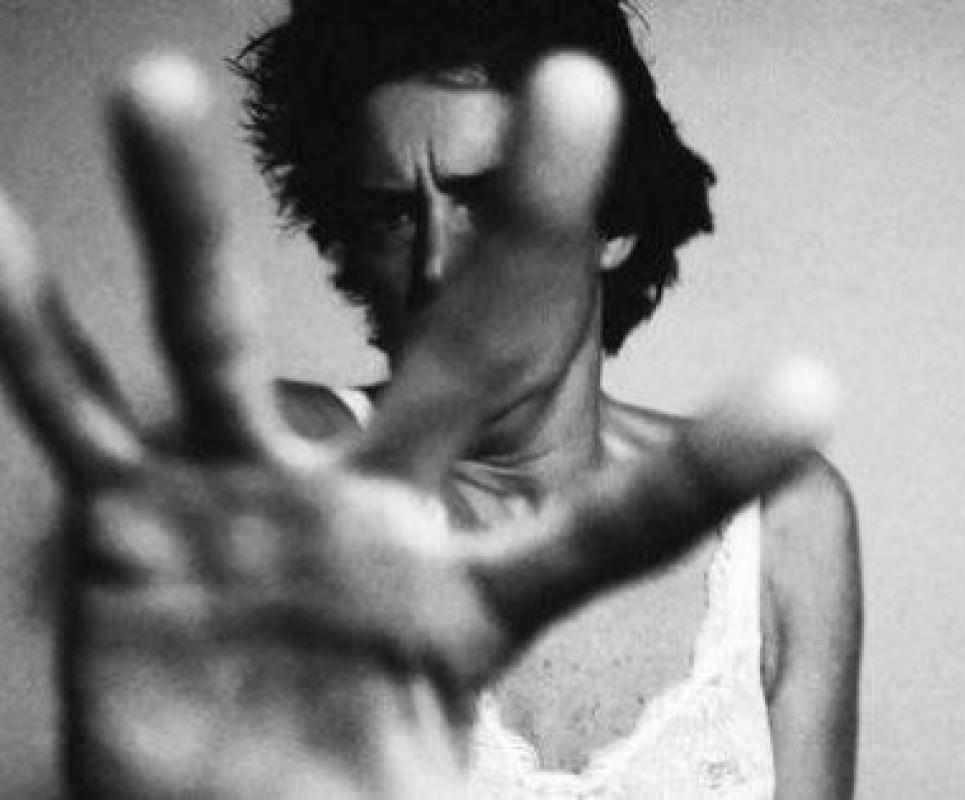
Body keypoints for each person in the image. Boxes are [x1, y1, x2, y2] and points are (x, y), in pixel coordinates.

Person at [0, 1, 858, 798]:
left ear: (616, 220)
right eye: (392, 217)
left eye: (491, 202)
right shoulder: (286, 482)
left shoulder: (782, 524)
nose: (438, 265)